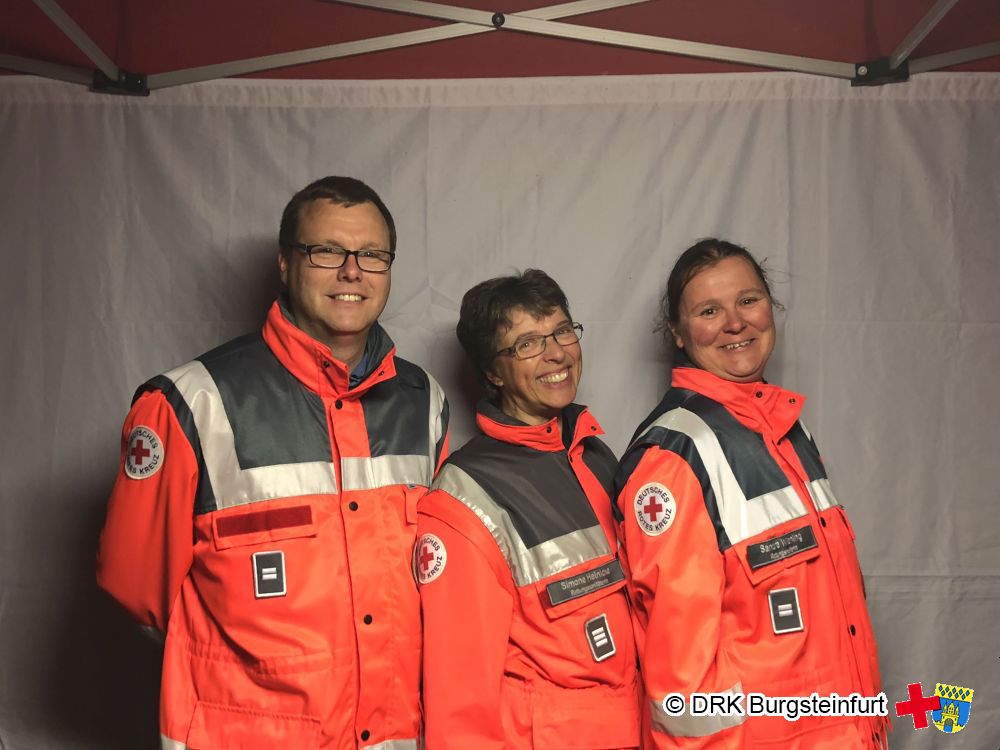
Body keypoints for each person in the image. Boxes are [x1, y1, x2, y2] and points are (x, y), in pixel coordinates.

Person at [96, 176, 449, 750]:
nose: (351, 271)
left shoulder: (423, 401)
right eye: (327, 251)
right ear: (285, 264)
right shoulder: (190, 404)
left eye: (372, 254)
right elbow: (138, 592)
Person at [615, 239, 886, 749]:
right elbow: (684, 686)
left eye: (748, 300)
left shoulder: (787, 431)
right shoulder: (674, 457)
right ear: (678, 332)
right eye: (708, 310)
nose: (735, 323)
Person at [416, 269, 641, 749]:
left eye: (562, 330)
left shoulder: (596, 456)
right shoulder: (466, 495)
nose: (557, 352)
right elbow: (459, 699)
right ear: (493, 373)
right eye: (527, 343)